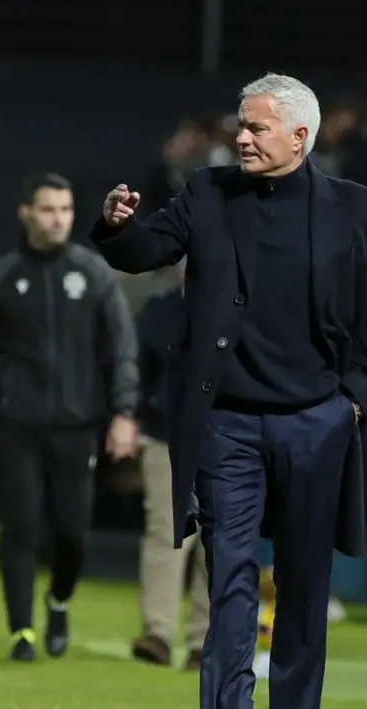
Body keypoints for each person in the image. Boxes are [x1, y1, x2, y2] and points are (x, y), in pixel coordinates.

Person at [90, 73, 367, 709]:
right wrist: (117, 224)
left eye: (257, 127)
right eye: (241, 124)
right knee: (227, 568)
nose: (241, 137)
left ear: (300, 136)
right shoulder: (208, 193)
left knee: (302, 578)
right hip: (225, 421)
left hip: (314, 423)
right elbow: (144, 253)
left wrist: (348, 406)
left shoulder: (356, 209)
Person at [0, 171, 140, 662]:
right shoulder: (3, 275)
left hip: (78, 427)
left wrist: (124, 411)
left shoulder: (93, 273)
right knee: (20, 529)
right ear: (26, 213)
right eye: (48, 209)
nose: (58, 219)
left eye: (66, 210)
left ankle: (58, 601)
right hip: (15, 425)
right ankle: (21, 632)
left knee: (73, 533)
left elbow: (121, 347)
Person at [129, 261, 210, 671]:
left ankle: (204, 642)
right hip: (166, 434)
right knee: (167, 532)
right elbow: (135, 368)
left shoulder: (245, 307)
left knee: (220, 540)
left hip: (227, 436)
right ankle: (158, 633)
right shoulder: (159, 311)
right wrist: (129, 415)